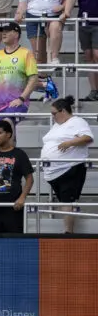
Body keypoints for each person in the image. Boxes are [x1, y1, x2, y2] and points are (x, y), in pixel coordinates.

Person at [42, 96, 94, 233]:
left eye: (54, 113)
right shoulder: (57, 125)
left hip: (69, 168)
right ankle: (69, 229)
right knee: (65, 202)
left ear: (63, 111)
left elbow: (87, 138)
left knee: (67, 201)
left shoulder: (77, 121)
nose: (53, 117)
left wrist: (69, 143)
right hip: (55, 171)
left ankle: (68, 232)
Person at [0, 119, 34, 233]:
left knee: (14, 243)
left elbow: (29, 179)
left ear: (8, 134)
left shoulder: (20, 154)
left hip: (13, 208)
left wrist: (22, 198)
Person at [0, 21, 39, 122]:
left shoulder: (26, 53)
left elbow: (33, 78)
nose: (3, 33)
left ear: (16, 34)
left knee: (7, 124)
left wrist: (21, 99)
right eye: (2, 31)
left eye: (7, 31)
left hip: (17, 103)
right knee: (1, 135)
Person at [63, 0, 98, 100]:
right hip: (84, 21)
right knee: (88, 55)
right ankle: (94, 91)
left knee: (97, 54)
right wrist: (66, 12)